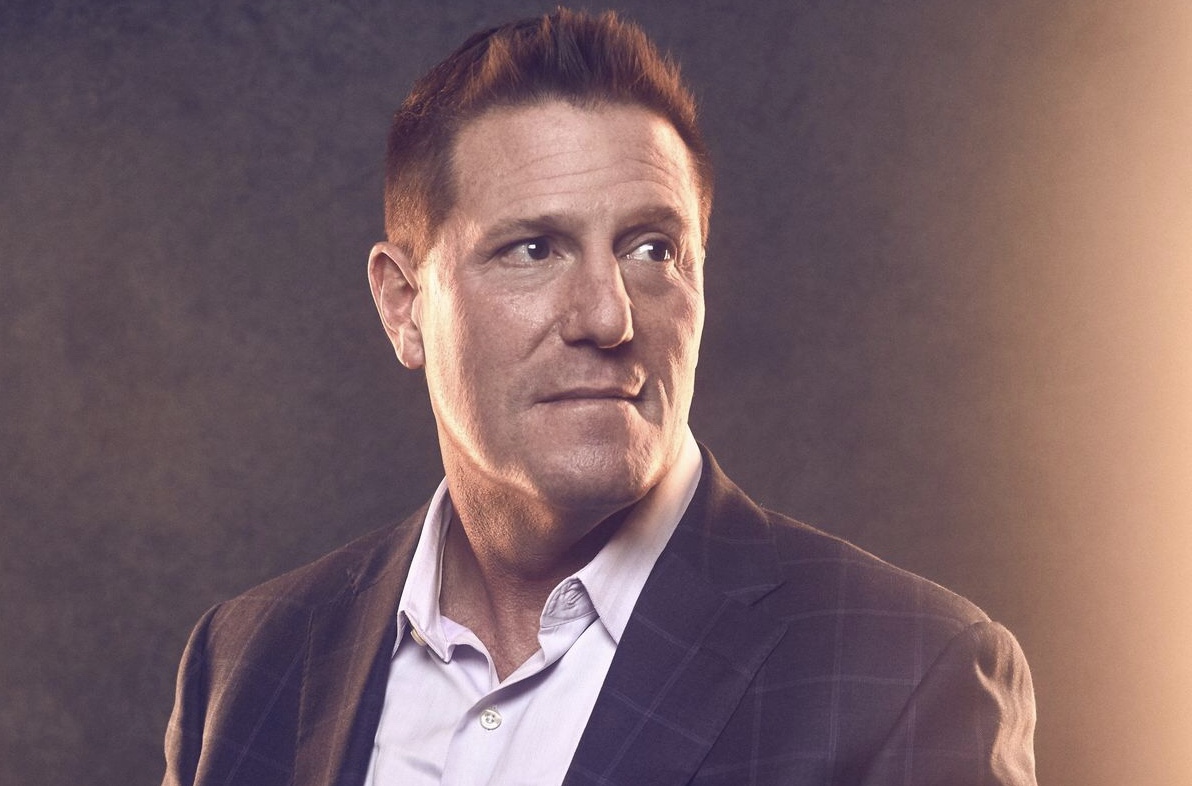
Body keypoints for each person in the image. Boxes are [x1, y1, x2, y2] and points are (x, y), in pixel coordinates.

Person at [162, 9, 1036, 785]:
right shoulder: (246, 660)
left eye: (652, 249)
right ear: (403, 304)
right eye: (533, 249)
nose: (608, 317)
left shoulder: (906, 674)